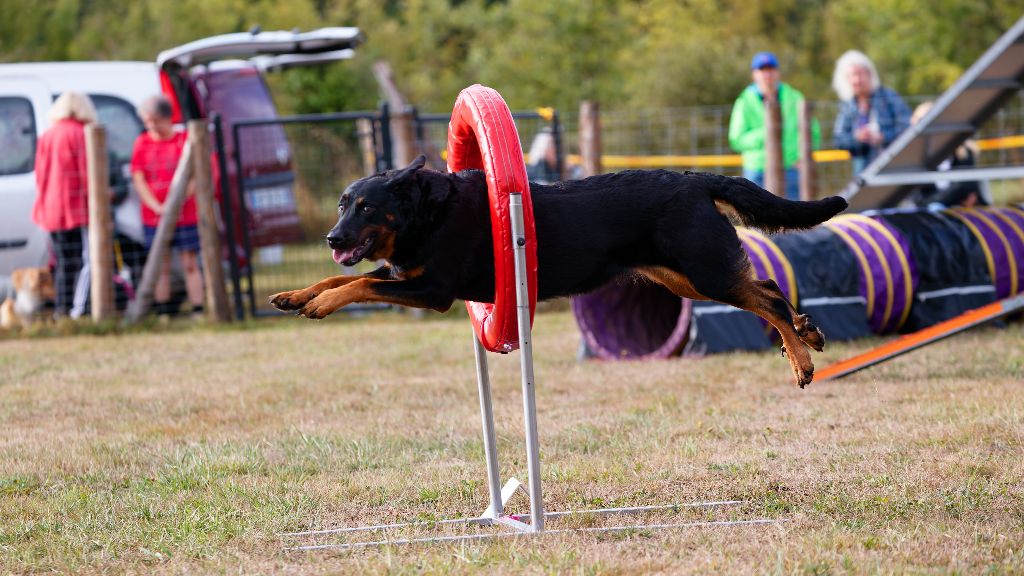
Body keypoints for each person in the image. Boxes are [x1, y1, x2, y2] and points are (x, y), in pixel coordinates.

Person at [130, 95, 204, 318]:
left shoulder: (184, 140)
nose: (151, 126)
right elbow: (138, 179)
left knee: (189, 262)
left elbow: (196, 176)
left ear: (167, 118)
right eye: (147, 121)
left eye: (155, 120)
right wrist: (157, 206)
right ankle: (163, 311)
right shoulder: (142, 142)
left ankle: (198, 309)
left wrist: (175, 204)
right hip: (154, 216)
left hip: (185, 214)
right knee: (160, 264)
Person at [32, 92, 99, 319]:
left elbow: (40, 176)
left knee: (62, 263)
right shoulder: (82, 133)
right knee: (84, 262)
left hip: (50, 210)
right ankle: (78, 310)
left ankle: (61, 309)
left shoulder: (47, 136)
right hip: (75, 209)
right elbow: (87, 174)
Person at [728, 51, 819, 201]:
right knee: (757, 214)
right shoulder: (744, 102)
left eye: (771, 69)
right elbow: (736, 139)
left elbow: (813, 131)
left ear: (778, 72)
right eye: (762, 70)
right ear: (754, 74)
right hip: (757, 170)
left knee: (794, 213)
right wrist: (767, 134)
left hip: (791, 168)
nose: (767, 74)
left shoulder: (794, 97)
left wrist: (803, 158)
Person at [832, 50, 911, 175]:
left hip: (895, 165)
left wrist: (883, 137)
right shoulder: (848, 107)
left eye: (859, 74)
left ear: (869, 74)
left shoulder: (889, 98)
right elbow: (839, 140)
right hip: (863, 171)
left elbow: (908, 127)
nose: (856, 80)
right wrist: (857, 138)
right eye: (851, 75)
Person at [908, 101, 985, 209]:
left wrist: (938, 202)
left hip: (961, 209)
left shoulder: (962, 151)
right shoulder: (913, 157)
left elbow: (965, 186)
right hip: (931, 208)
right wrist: (933, 204)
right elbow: (916, 195)